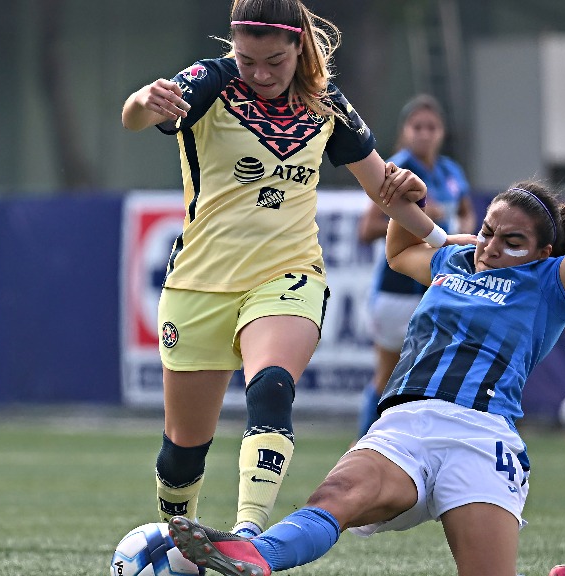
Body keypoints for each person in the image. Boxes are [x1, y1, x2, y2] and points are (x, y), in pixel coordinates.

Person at [166, 82, 565, 576]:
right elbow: (399, 254)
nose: (490, 247)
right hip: (405, 424)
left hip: (480, 437)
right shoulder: (456, 260)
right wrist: (406, 203)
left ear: (543, 253)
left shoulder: (550, 283)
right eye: (487, 231)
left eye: (512, 241)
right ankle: (256, 556)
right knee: (336, 494)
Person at [120, 0, 453, 540]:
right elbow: (136, 117)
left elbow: (383, 188)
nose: (260, 74)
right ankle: (180, 544)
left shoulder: (328, 104)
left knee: (271, 387)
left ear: (299, 45)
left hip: (289, 275)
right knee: (183, 452)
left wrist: (443, 243)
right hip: (198, 286)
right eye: (248, 60)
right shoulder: (208, 82)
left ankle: (251, 539)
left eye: (274, 60)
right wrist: (142, 99)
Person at [356, 94, 475, 439]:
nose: (424, 134)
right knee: (388, 377)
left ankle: (414, 445)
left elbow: (466, 208)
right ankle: (363, 444)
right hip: (398, 289)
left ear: (442, 132)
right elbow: (367, 229)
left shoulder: (451, 170)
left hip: (437, 287)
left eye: (432, 127)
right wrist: (420, 221)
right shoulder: (396, 168)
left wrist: (459, 225)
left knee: (430, 376)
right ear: (405, 131)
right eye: (417, 127)